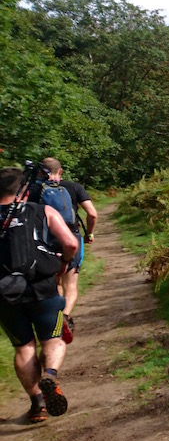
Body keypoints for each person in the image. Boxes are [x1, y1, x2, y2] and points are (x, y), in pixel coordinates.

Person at [0, 166, 79, 423]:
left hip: (5, 294)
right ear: (23, 187)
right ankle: (51, 374)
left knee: (23, 347)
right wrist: (63, 263)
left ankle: (37, 404)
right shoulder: (41, 210)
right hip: (43, 287)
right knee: (53, 337)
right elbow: (70, 243)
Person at [39, 158, 97, 338]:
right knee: (71, 282)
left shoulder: (36, 190)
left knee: (55, 281)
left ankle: (56, 319)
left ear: (41, 172)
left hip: (47, 240)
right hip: (71, 237)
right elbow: (92, 213)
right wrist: (89, 233)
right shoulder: (73, 187)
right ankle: (65, 317)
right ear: (60, 171)